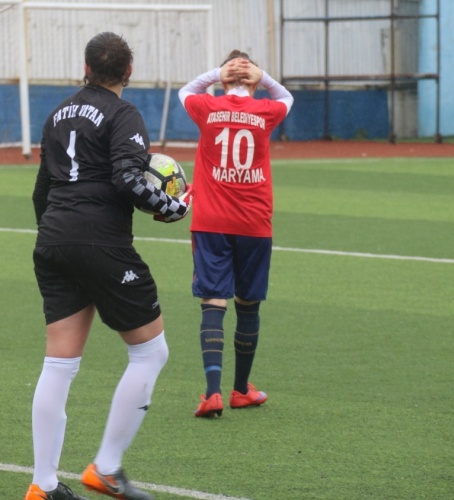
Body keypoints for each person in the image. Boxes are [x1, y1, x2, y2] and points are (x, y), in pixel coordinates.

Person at [25, 32, 192, 500]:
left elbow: (43, 188)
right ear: (128, 72)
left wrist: (59, 240)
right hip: (100, 242)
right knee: (150, 352)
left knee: (58, 363)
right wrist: (173, 208)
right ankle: (107, 468)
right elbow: (126, 178)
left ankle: (42, 486)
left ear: (86, 67)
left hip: (53, 239)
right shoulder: (124, 114)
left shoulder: (58, 112)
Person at [178, 50, 294, 417]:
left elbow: (185, 90)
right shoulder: (266, 111)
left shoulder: (207, 108)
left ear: (224, 79)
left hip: (211, 221)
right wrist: (263, 76)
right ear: (255, 81)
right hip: (254, 222)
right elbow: (286, 97)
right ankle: (241, 389)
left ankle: (212, 393)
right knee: (248, 304)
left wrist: (216, 73)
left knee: (213, 300)